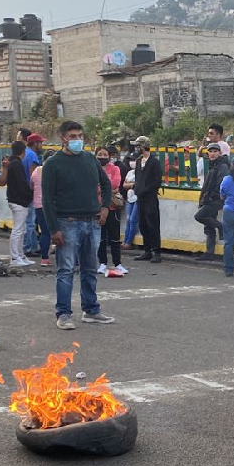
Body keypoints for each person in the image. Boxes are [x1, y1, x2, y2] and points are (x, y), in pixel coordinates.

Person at [42, 120, 116, 330]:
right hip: (68, 223)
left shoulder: (89, 159)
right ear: (63, 138)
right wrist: (54, 229)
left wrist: (104, 208)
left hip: (92, 222)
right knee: (65, 270)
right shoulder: (53, 164)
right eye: (73, 136)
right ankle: (64, 314)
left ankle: (91, 310)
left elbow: (106, 183)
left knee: (90, 268)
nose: (77, 140)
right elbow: (47, 199)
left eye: (80, 136)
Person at [0, 140, 34, 267]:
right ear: (23, 151)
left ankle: (20, 255)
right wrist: (30, 194)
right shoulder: (17, 164)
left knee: (21, 229)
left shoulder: (12, 163)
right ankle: (15, 257)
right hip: (19, 200)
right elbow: (22, 183)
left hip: (15, 199)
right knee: (18, 229)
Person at [131, 136, 164, 263]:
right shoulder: (139, 161)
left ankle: (156, 252)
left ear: (143, 146)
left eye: (138, 146)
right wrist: (137, 189)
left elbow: (157, 181)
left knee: (153, 224)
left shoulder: (154, 162)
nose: (136, 148)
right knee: (143, 224)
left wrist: (145, 190)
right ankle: (147, 250)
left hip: (150, 197)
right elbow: (138, 178)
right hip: (140, 198)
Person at [195, 143, 229, 262]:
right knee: (209, 227)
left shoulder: (222, 165)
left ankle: (221, 227)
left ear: (219, 153)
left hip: (214, 200)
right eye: (210, 151)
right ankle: (210, 252)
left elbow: (221, 183)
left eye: (215, 151)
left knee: (199, 216)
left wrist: (212, 196)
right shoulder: (212, 165)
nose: (212, 153)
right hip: (208, 198)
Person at [95, 145, 125, 277]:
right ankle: (102, 263)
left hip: (112, 208)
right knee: (100, 238)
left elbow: (116, 184)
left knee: (114, 238)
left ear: (109, 156)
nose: (102, 157)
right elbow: (92, 186)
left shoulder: (115, 168)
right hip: (97, 208)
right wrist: (106, 187)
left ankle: (118, 263)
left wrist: (103, 188)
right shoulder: (92, 169)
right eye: (99, 154)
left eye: (104, 154)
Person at [30, 149, 55, 267]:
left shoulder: (37, 170)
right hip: (54, 205)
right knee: (59, 231)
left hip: (39, 205)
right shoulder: (56, 171)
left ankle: (44, 258)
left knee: (44, 232)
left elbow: (31, 185)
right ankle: (65, 258)